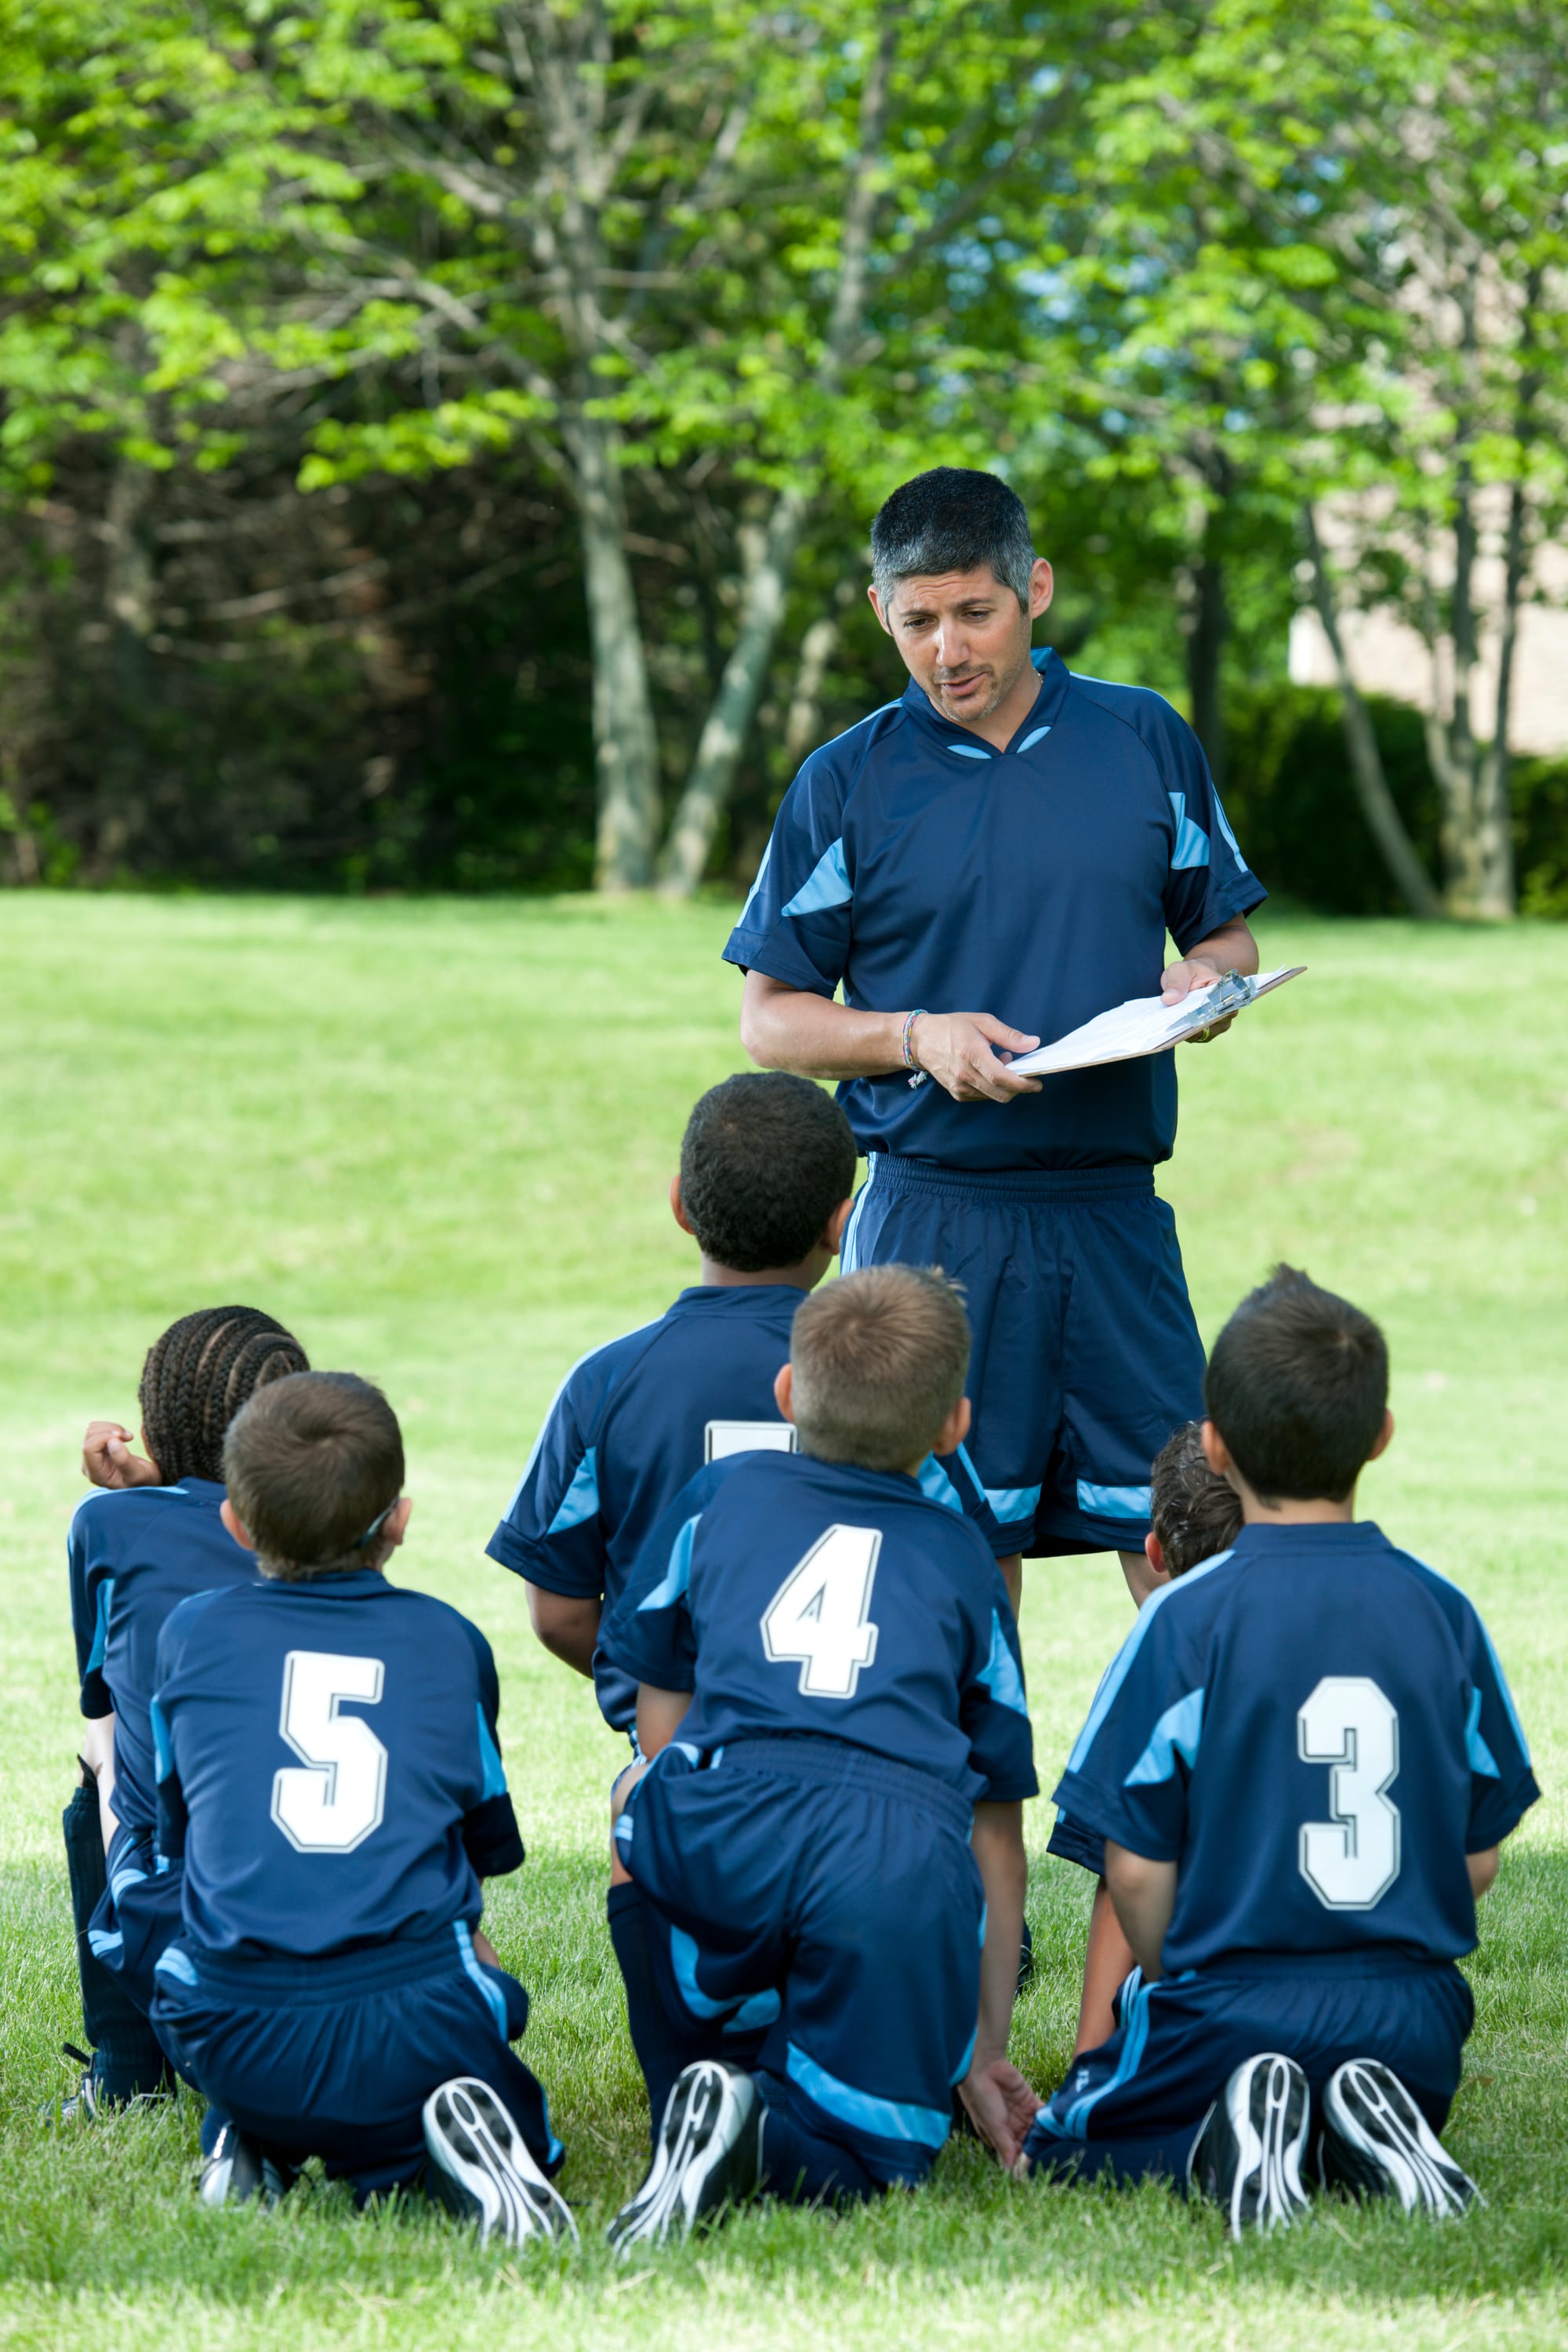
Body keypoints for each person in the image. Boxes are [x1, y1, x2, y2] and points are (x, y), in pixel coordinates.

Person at [724, 466, 1266, 1610]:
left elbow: (1228, 939)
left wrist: (1205, 987)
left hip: (1116, 1218)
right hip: (931, 1222)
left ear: (1037, 591)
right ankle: (974, 1799)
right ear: (882, 611)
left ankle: (1207, 1786)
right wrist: (915, 1037)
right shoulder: (846, 782)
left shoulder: (1142, 738)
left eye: (975, 613)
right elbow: (770, 1019)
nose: (946, 649)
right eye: (917, 621)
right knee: (959, 1576)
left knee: (1191, 1544)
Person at [486, 1072, 1006, 2085]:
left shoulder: (608, 1382)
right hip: (877, 1784)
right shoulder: (897, 1374)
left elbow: (556, 1610)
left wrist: (677, 1668)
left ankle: (698, 2067)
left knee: (654, 1801)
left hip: (694, 1755)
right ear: (842, 1222)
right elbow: (962, 1569)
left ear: (682, 1207)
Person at [1018, 1268, 1538, 2235]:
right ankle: (1369, 2124)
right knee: (1370, 2068)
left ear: (1213, 1444)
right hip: (1409, 2021)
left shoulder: (1179, 1622)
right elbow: (1477, 1858)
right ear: (1379, 1439)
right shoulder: (1443, 1614)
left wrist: (1179, 1968)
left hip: (1225, 2006)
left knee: (1068, 2151)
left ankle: (1239, 2133)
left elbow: (1129, 1867)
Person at [595, 1266, 1040, 2249]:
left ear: (787, 1396)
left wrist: (702, 1790)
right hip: (891, 1855)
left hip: (727, 1815)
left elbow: (657, 1692)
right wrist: (980, 2048)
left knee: (637, 1793)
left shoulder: (718, 1494)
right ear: (951, 1426)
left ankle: (695, 2097)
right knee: (869, 2169)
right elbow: (995, 1833)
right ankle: (758, 2128)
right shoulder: (966, 1557)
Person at [147, 1371, 574, 2245]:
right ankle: (454, 2150)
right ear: (400, 1522)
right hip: (414, 2023)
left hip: (224, 2020)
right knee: (476, 1986)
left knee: (208, 1957)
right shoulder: (448, 1639)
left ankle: (245, 2137)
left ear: (233, 1523)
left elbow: (180, 1834)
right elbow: (486, 1846)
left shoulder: (188, 1633)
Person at [57, 1306, 309, 2119]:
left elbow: (104, 1706)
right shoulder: (328, 1536)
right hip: (328, 1926)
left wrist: (149, 1488)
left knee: (101, 1763)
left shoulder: (103, 1524)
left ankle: (127, 2071)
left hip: (181, 1950)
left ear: (156, 1422)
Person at [1048, 1420, 1243, 2057]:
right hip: (1368, 1984)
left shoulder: (1165, 1637)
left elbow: (1121, 1868)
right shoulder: (1361, 1612)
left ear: (1154, 1552)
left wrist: (1086, 2067)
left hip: (1213, 1989)